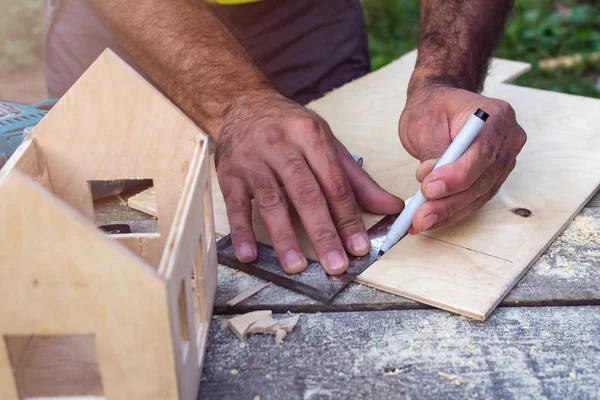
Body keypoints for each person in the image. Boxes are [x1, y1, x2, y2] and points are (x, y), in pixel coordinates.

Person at [44, 0, 527, 276]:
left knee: (313, 191)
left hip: (305, 15)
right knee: (111, 241)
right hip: (134, 18)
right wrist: (238, 105)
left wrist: (442, 77)